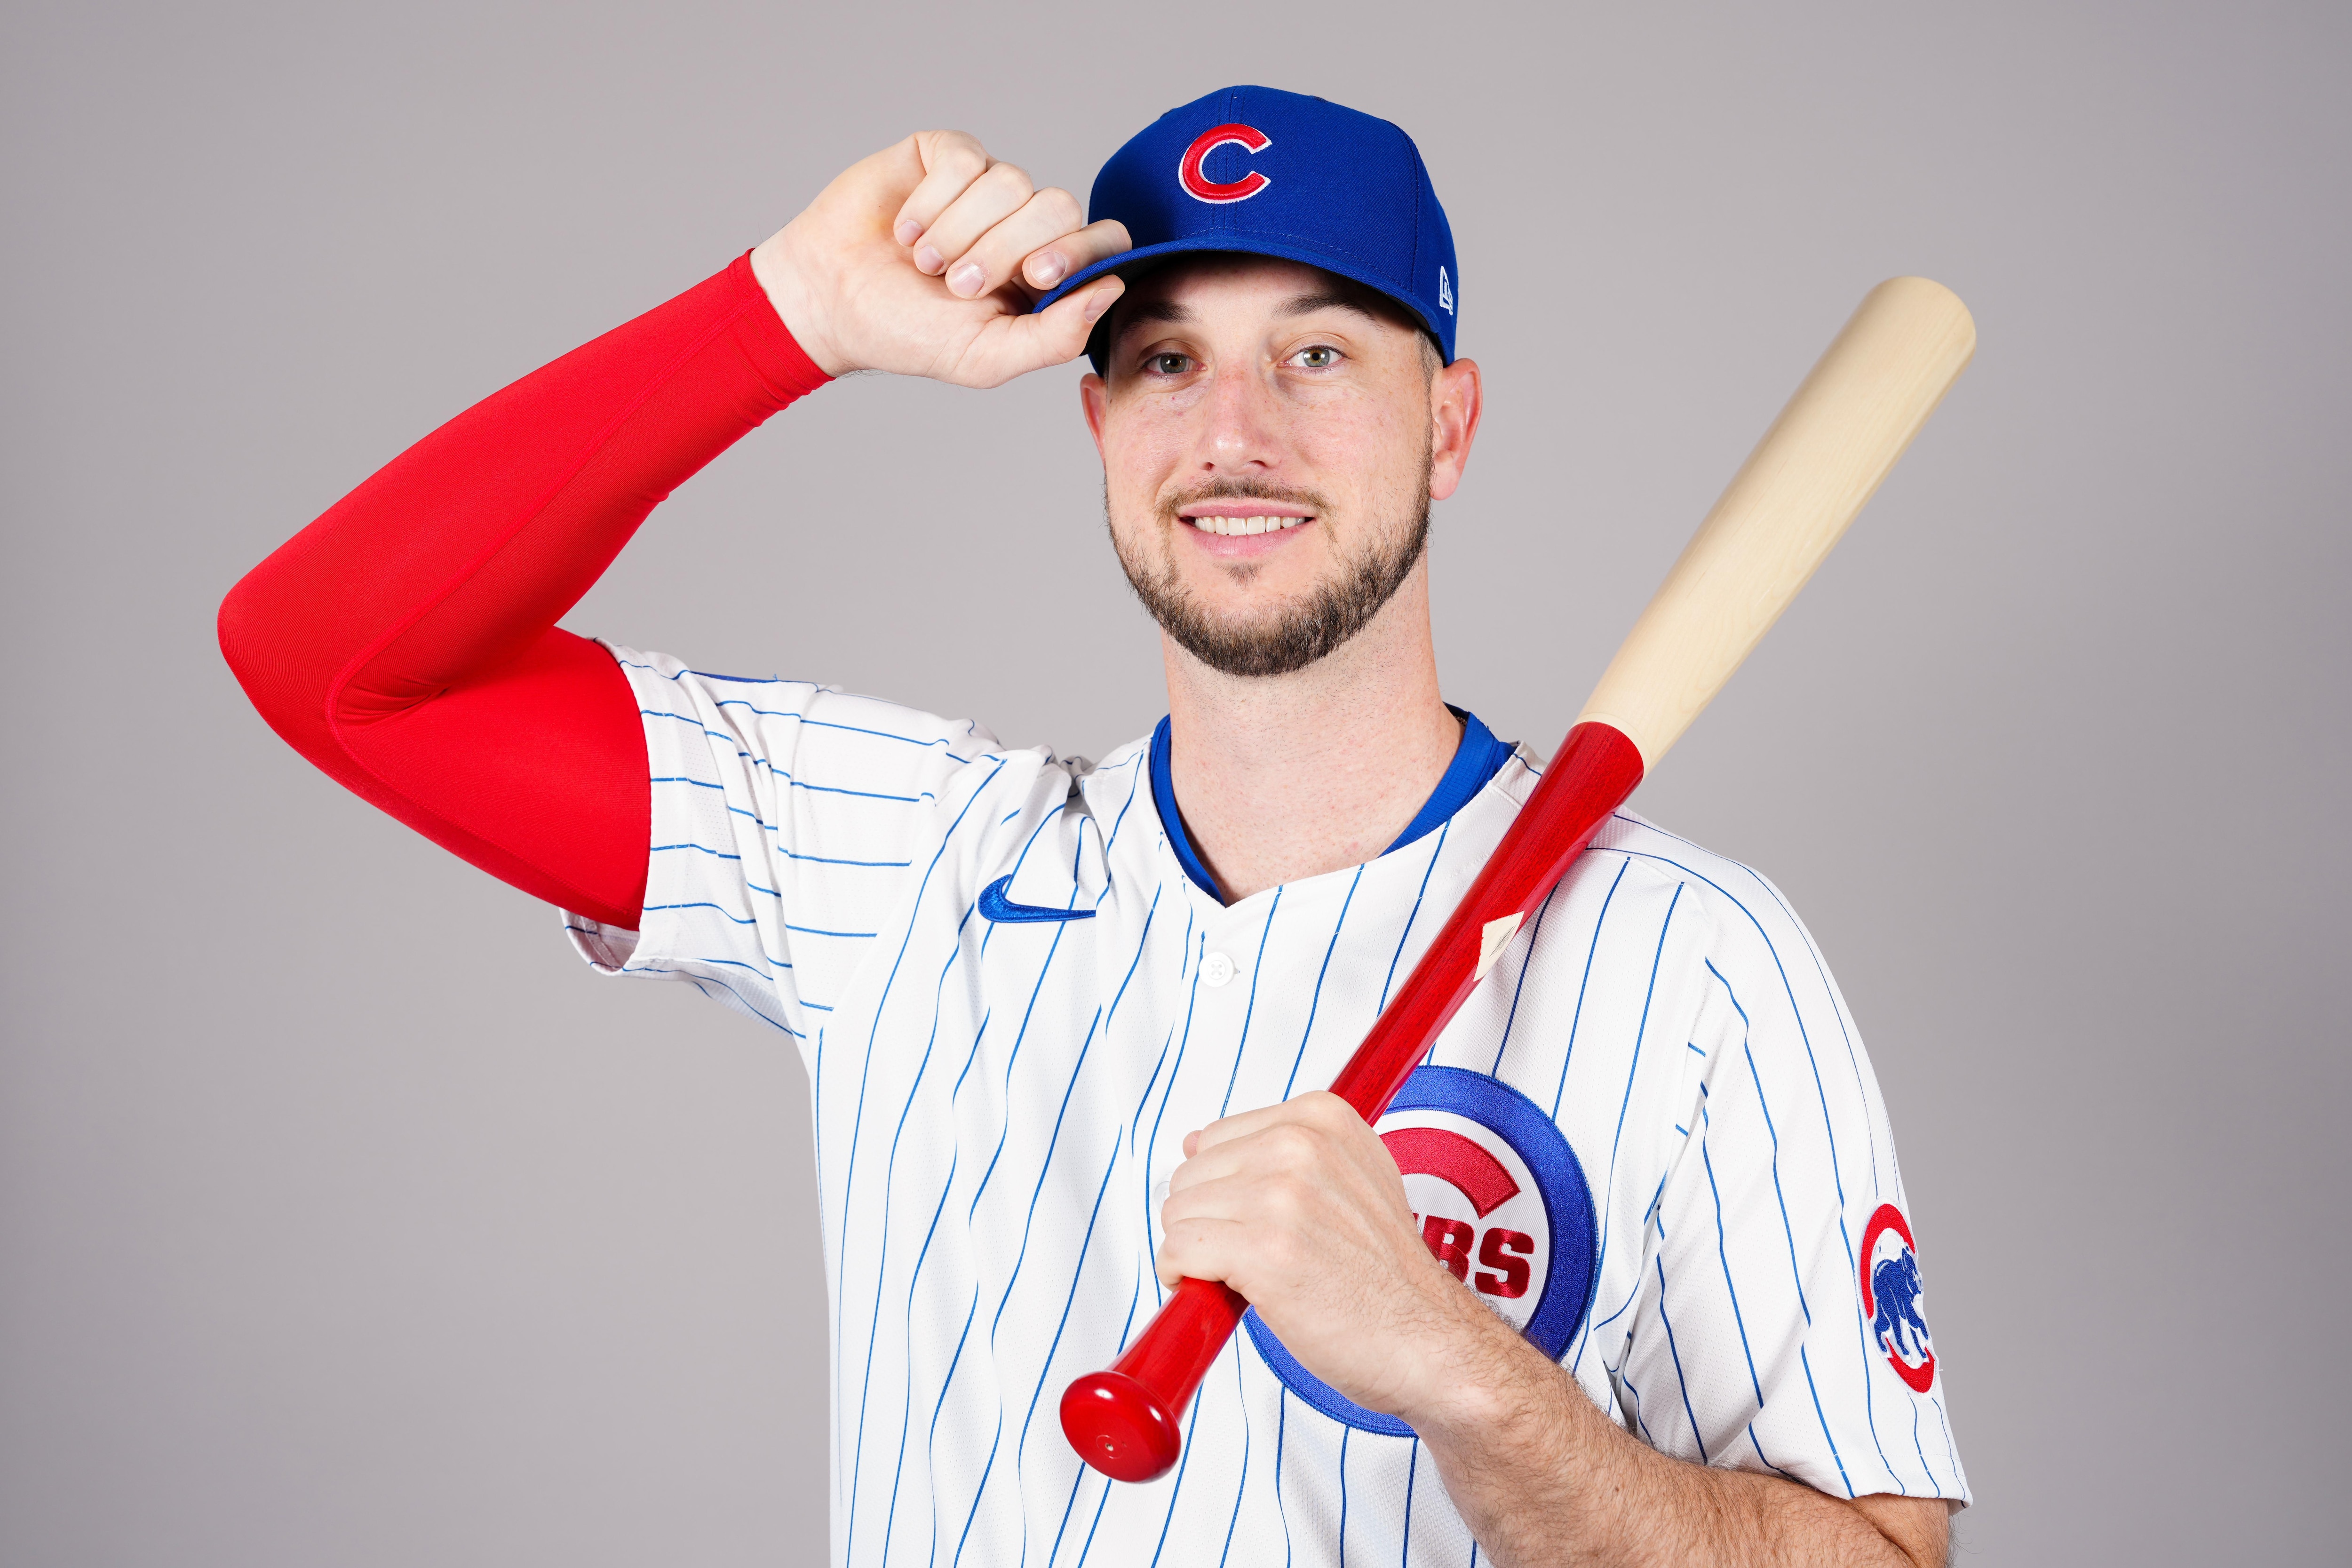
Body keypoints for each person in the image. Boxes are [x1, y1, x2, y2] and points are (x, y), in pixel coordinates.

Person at [222, 85, 1965, 1567]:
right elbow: (337, 665)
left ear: (1451, 425)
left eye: (1318, 353)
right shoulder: (907, 861)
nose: (1235, 432)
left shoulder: (1698, 962)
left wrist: (1458, 1365)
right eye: (1164, 361)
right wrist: (788, 317)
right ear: (1096, 420)